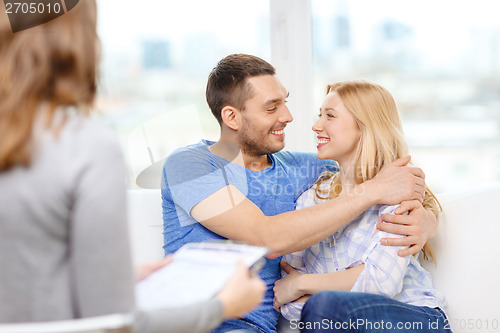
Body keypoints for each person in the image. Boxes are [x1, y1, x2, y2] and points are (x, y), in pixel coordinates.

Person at [0, 2, 266, 333]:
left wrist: (116, 280)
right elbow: (115, 324)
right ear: (76, 43)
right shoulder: (84, 146)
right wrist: (222, 306)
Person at [161, 54, 439, 333]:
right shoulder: (191, 165)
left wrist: (427, 220)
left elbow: (380, 169)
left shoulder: (306, 169)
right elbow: (266, 237)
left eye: (285, 102)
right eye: (272, 108)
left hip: (250, 327)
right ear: (231, 117)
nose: (288, 117)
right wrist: (373, 191)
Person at [273, 80, 452, 332]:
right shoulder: (310, 199)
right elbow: (287, 301)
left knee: (326, 305)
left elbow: (381, 282)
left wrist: (303, 283)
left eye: (330, 116)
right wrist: (348, 279)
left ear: (365, 126)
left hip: (415, 319)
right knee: (325, 308)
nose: (316, 126)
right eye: (319, 115)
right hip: (345, 324)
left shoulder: (398, 191)